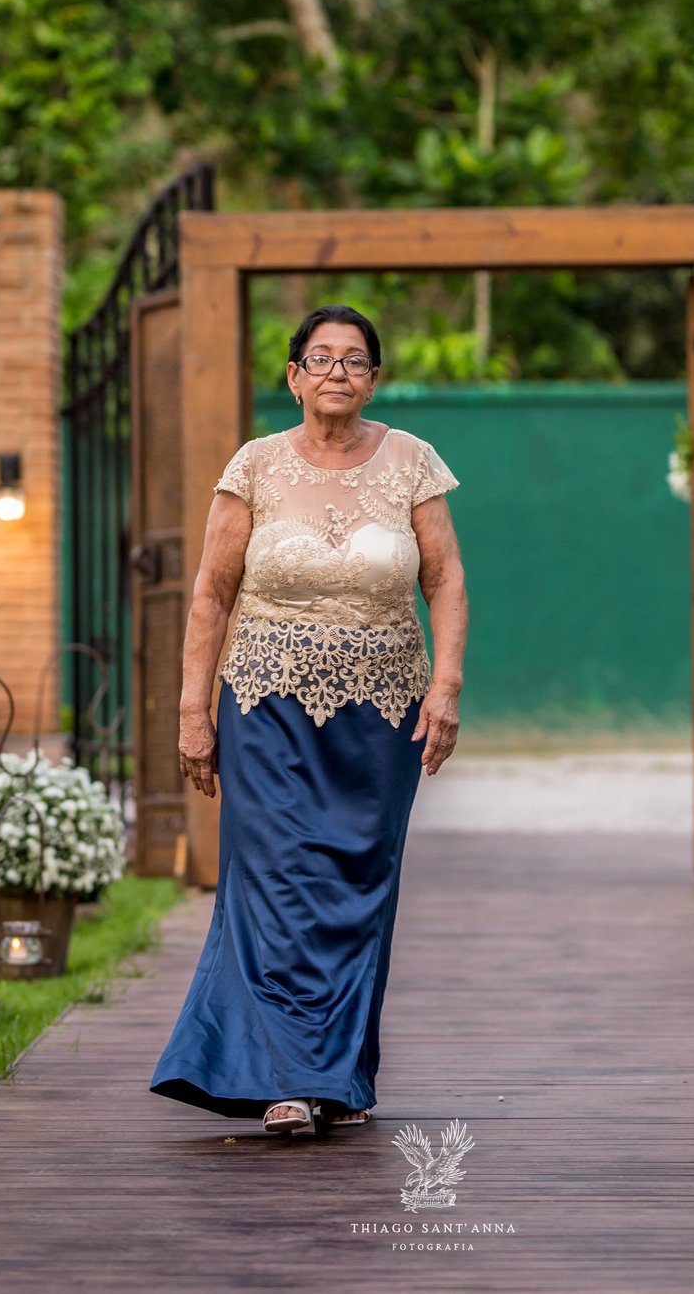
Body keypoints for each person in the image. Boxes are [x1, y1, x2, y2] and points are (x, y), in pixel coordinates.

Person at [150, 305, 468, 1137]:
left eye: (354, 360)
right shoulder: (253, 465)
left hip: (382, 718)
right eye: (320, 358)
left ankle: (339, 1073)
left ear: (373, 379)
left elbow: (444, 579)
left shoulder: (414, 461)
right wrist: (192, 711)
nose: (337, 372)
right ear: (293, 375)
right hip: (264, 706)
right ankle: (290, 1081)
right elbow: (211, 593)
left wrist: (445, 686)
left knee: (358, 888)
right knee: (277, 884)